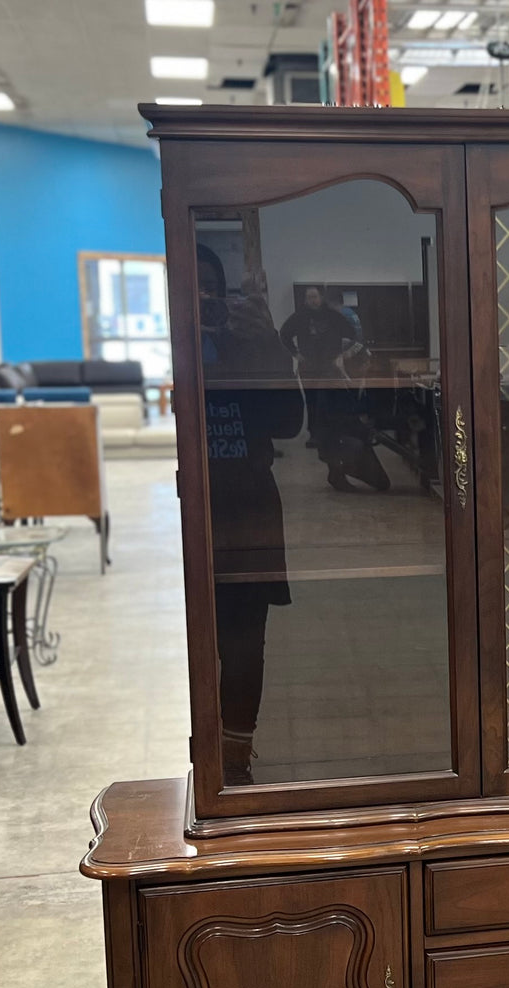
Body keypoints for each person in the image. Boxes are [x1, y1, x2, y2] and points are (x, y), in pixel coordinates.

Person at [197, 243, 303, 786]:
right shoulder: (175, 351)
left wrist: (267, 346)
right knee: (200, 641)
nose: (206, 301)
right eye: (193, 291)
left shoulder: (247, 345)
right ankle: (205, 751)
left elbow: (288, 424)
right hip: (194, 514)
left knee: (244, 645)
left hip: (250, 510)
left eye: (213, 290)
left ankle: (235, 760)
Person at [279, 285, 358, 451]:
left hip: (329, 366)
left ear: (321, 298)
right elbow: (284, 334)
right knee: (312, 400)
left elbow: (352, 334)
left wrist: (341, 355)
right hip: (308, 366)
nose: (312, 300)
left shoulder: (333, 316)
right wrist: (295, 353)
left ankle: (331, 434)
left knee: (329, 400)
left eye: (315, 296)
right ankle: (314, 434)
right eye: (309, 297)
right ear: (305, 299)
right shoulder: (299, 316)